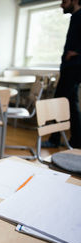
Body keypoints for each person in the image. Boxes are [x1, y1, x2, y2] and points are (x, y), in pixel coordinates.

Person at [43, 0, 81, 148]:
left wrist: (77, 53)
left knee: (58, 103)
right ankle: (77, 141)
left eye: (64, 1)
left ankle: (55, 139)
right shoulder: (75, 17)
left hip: (74, 68)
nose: (61, 5)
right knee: (71, 104)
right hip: (70, 68)